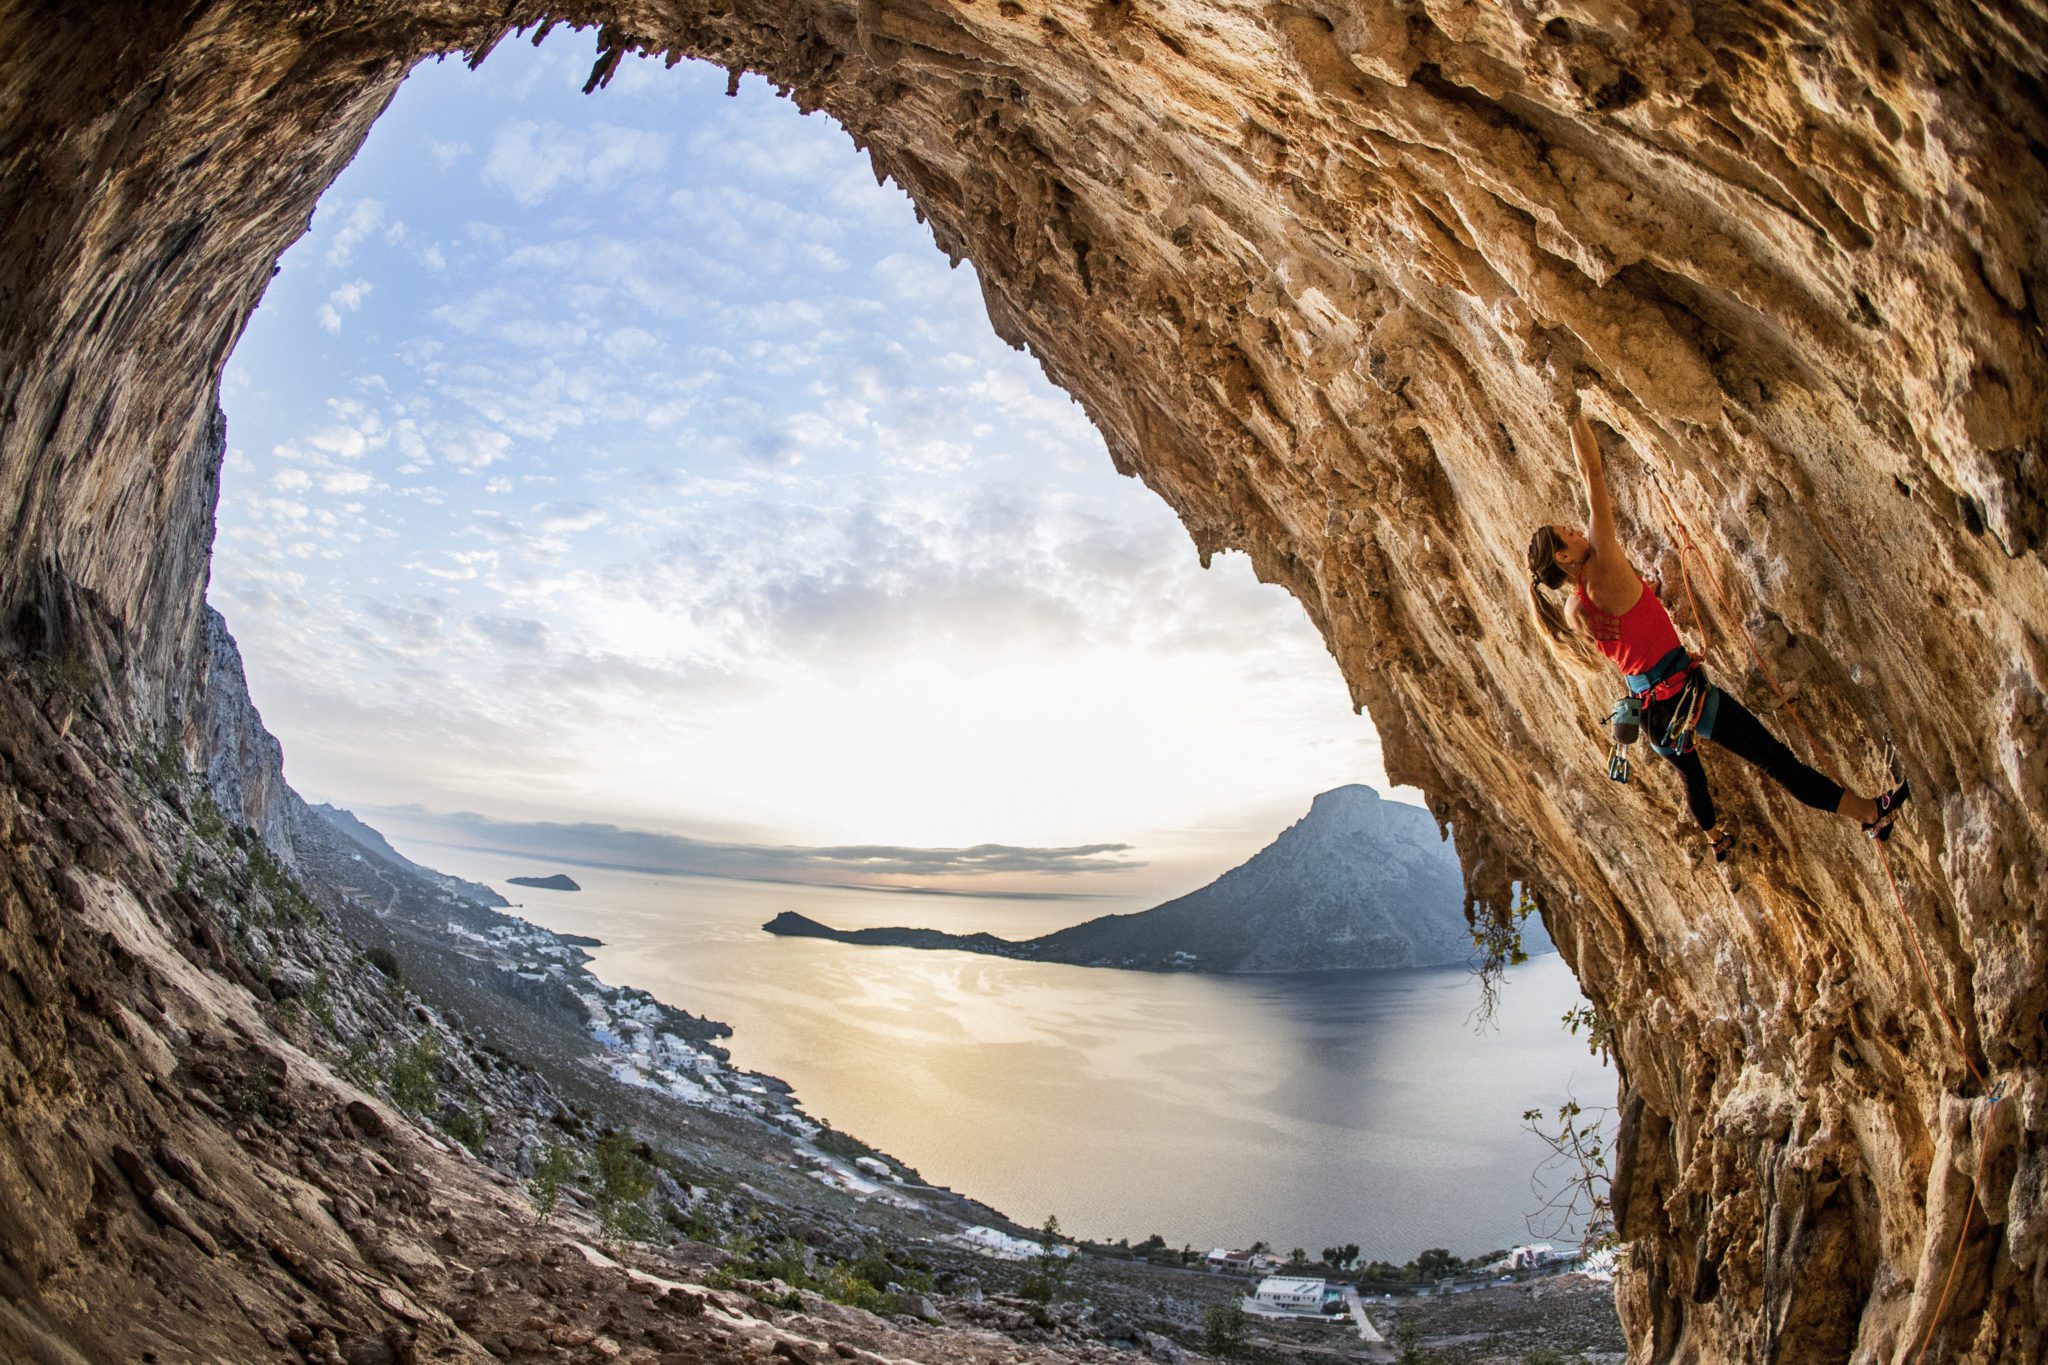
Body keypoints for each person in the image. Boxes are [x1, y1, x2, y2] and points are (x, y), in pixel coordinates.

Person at [1526, 405, 1908, 861]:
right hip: (1682, 696)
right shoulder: (1603, 565)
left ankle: (1715, 839)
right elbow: (1593, 476)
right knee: (1776, 760)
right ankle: (1871, 813)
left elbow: (1629, 630)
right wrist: (1571, 412)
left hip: (1651, 711)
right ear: (1565, 559)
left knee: (1693, 778)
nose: (1575, 528)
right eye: (1565, 534)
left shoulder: (1574, 608)